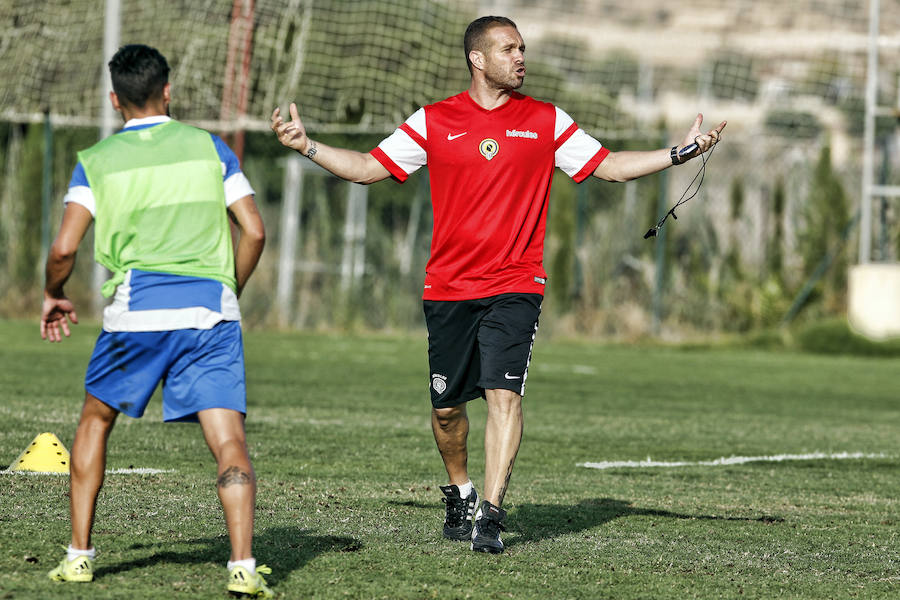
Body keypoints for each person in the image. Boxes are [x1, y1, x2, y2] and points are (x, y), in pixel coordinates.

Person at [271, 16, 725, 554]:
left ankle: (490, 513)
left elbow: (612, 167)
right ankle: (460, 490)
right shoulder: (436, 120)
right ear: (477, 59)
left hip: (516, 283)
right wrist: (308, 146)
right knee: (446, 410)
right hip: (447, 287)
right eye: (508, 49)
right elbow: (371, 167)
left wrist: (681, 153)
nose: (520, 57)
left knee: (503, 394)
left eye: (522, 48)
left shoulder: (546, 120)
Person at [41, 44, 272, 596]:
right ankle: (242, 567)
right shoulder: (209, 148)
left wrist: (54, 292)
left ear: (114, 98)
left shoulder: (97, 159)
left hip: (136, 313)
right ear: (168, 90)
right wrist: (226, 290)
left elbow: (64, 248)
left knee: (95, 422)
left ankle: (78, 557)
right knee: (228, 440)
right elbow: (255, 231)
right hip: (209, 315)